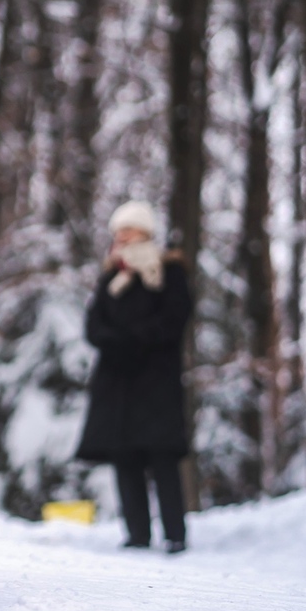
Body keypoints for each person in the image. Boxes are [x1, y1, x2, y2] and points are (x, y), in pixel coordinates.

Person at [75, 200, 194, 552]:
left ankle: (174, 534)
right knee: (124, 457)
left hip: (155, 381)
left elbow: (174, 318)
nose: (121, 236)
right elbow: (94, 324)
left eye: (128, 229)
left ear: (145, 231)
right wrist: (115, 342)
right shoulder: (112, 276)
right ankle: (137, 533)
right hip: (117, 381)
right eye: (118, 231)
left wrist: (135, 340)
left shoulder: (168, 272)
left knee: (162, 458)